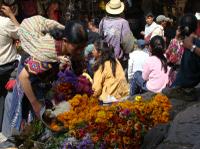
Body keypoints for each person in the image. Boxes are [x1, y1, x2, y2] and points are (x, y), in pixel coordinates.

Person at [8, 15, 88, 134]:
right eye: (77, 48)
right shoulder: (46, 55)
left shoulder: (67, 35)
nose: (80, 51)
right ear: (65, 41)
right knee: (26, 116)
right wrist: (35, 104)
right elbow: (23, 77)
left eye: (83, 47)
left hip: (39, 27)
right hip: (29, 74)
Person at [99, 0, 136, 70]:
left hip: (105, 57)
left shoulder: (103, 21)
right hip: (119, 60)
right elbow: (128, 44)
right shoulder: (123, 22)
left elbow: (101, 36)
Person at [0, 0, 19, 132]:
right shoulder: (5, 23)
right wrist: (12, 15)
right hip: (6, 69)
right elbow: (24, 33)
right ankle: (7, 131)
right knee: (7, 100)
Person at [172, 14, 200, 88]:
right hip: (184, 84)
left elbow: (171, 59)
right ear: (196, 27)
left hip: (185, 86)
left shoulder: (187, 43)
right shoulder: (186, 42)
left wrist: (191, 47)